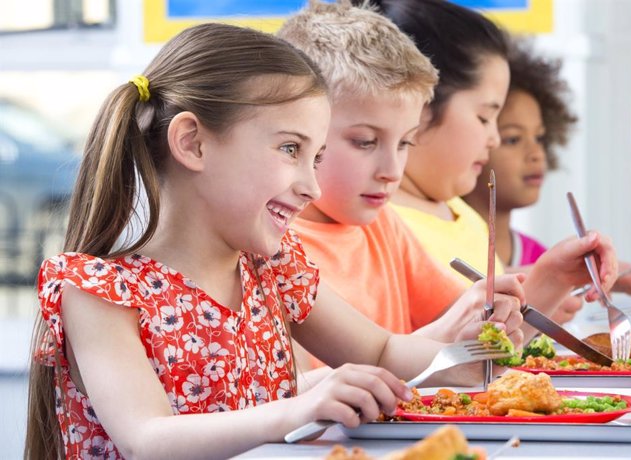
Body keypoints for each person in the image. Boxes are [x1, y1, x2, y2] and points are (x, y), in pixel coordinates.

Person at [24, 23, 519, 460]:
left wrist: (478, 356)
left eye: (317, 155)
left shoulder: (272, 269)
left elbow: (384, 352)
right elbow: (147, 439)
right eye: (290, 149)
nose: (313, 185)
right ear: (193, 142)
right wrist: (294, 410)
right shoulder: (97, 291)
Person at [278, 0, 614, 362]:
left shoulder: (383, 226)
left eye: (405, 142)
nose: (392, 169)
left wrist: (554, 277)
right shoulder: (270, 245)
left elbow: (476, 344)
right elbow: (298, 392)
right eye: (365, 142)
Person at [362, 0, 618, 328]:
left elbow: (494, 349)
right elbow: (445, 352)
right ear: (419, 106)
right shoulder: (378, 221)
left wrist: (555, 278)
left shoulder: (460, 212)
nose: (493, 138)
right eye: (484, 117)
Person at [463, 39, 631, 318]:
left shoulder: (536, 253)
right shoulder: (449, 243)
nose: (536, 153)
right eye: (513, 139)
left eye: (540, 138)